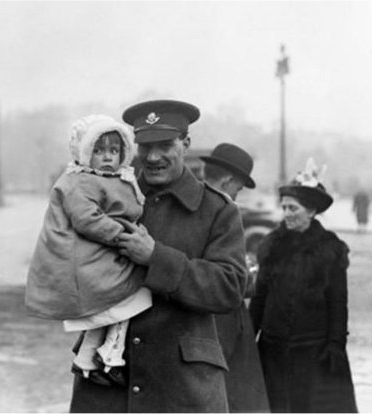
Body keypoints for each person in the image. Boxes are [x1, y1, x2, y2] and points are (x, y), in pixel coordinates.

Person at [69, 100, 248, 413]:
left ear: (185, 144)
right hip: (109, 380)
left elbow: (229, 288)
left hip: (181, 386)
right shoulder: (111, 196)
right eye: (145, 146)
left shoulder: (217, 210)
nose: (152, 157)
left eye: (165, 145)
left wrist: (155, 257)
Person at [26, 114, 152, 387]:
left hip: (102, 254)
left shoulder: (117, 179)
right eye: (99, 150)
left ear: (123, 154)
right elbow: (87, 219)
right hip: (86, 260)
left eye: (113, 151)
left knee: (113, 307)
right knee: (133, 294)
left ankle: (88, 358)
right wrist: (123, 236)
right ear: (85, 153)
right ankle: (111, 353)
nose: (107, 157)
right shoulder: (80, 181)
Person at [249, 158, 357, 413]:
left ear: (310, 211)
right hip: (273, 351)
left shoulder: (330, 249)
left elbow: (338, 304)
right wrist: (249, 341)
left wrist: (335, 347)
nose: (286, 214)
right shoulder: (271, 246)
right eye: (284, 207)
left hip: (314, 353)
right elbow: (260, 299)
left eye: (293, 208)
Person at [200, 143, 269, 413]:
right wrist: (249, 279)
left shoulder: (190, 206)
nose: (237, 196)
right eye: (238, 189)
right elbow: (227, 277)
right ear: (229, 181)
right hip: (223, 323)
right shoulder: (223, 212)